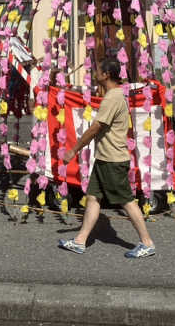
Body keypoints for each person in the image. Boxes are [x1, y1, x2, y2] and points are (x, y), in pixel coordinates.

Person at [57, 57, 155, 258]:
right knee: (93, 198)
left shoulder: (112, 97)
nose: (95, 72)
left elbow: (96, 127)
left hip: (112, 160)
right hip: (105, 158)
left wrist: (73, 150)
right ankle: (80, 241)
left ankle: (147, 243)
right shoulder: (115, 95)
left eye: (98, 69)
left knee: (127, 200)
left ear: (106, 74)